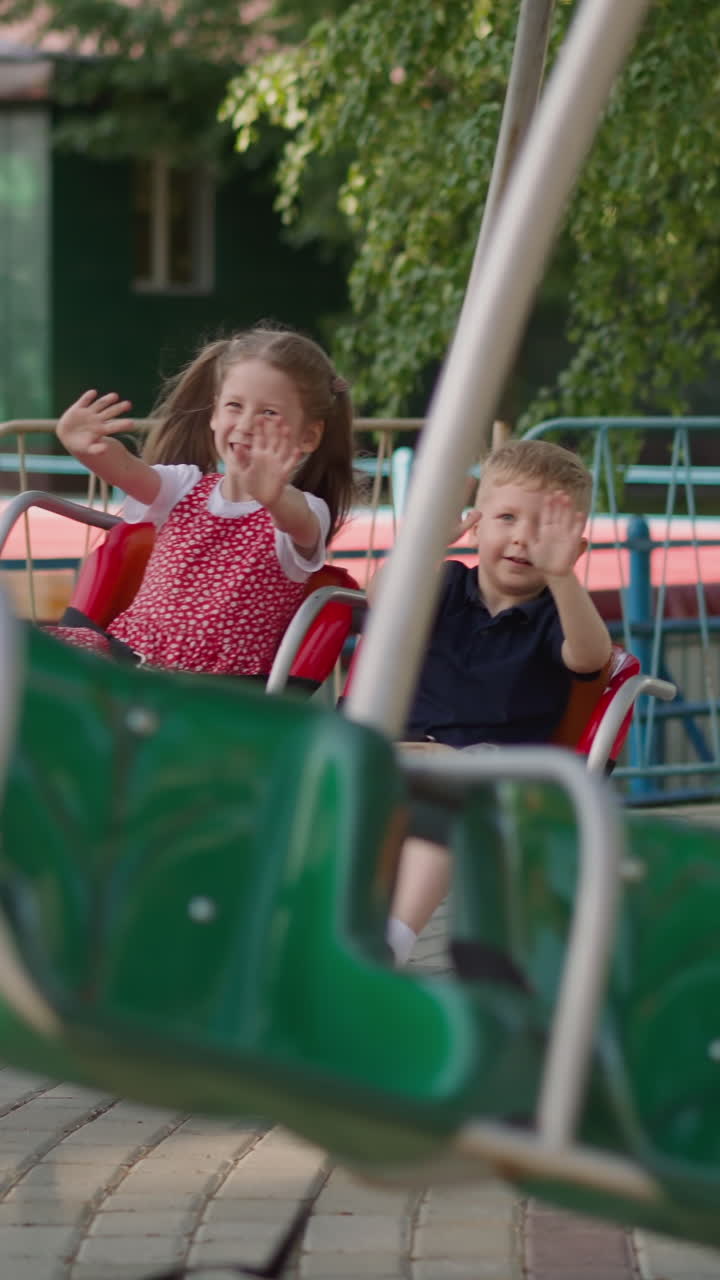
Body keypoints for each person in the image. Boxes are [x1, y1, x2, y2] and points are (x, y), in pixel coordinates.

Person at [384, 437, 612, 965]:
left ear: (574, 549)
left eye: (545, 528)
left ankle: (394, 939)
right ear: (476, 525)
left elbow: (591, 657)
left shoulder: (555, 614)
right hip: (409, 748)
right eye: (507, 518)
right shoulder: (445, 583)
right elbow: (385, 603)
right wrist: (422, 548)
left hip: (498, 767)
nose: (522, 538)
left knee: (450, 800)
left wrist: (562, 579)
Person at [49, 326, 355, 677]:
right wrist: (83, 446)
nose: (246, 424)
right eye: (234, 406)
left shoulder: (302, 509)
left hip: (212, 686)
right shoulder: (183, 486)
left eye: (269, 413)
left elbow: (299, 522)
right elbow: (126, 470)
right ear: (214, 415)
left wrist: (272, 497)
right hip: (129, 659)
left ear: (309, 435)